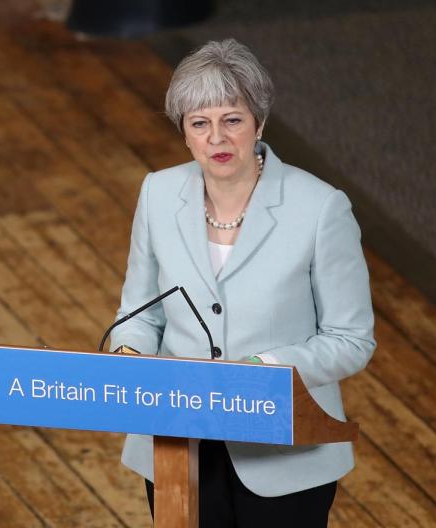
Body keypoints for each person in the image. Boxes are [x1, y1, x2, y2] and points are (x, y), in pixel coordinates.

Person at [108, 39, 376, 527]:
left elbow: (351, 340)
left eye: (231, 120)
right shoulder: (157, 193)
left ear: (259, 123)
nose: (217, 139)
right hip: (177, 443)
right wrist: (130, 358)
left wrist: (262, 370)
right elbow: (139, 315)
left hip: (285, 453)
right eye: (199, 124)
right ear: (184, 133)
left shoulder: (321, 208)